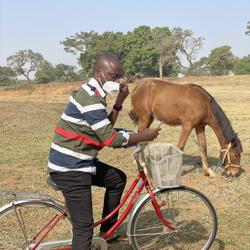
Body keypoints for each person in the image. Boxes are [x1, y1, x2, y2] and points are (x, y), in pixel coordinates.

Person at [48, 53, 161, 250]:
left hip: (79, 161)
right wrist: (144, 136)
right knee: (84, 228)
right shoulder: (90, 98)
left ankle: (108, 232)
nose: (117, 81)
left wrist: (118, 102)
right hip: (71, 168)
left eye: (119, 76)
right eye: (114, 76)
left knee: (116, 179)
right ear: (99, 72)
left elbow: (105, 128)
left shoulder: (94, 93)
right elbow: (110, 139)